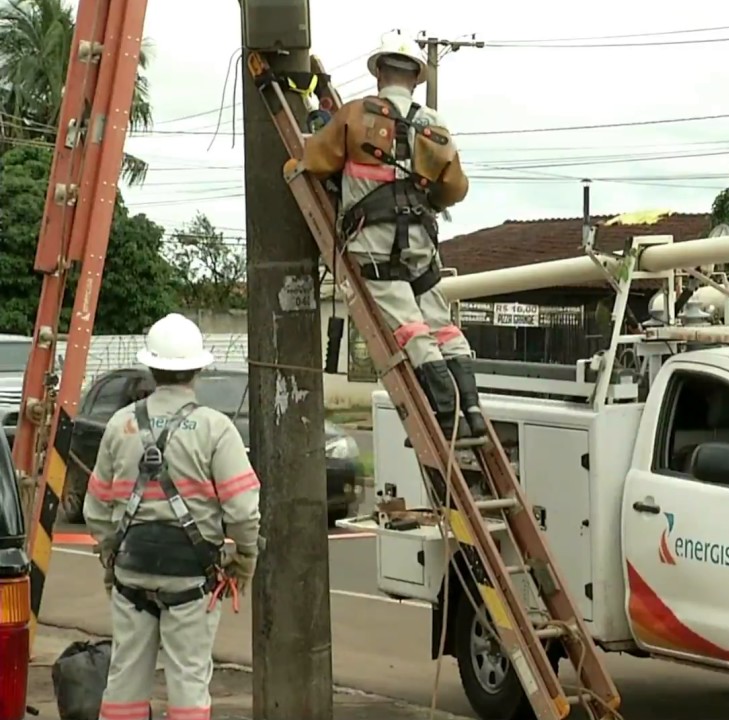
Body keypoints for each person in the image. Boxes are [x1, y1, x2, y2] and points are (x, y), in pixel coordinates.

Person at [291, 31, 486, 443]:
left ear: (380, 71)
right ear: (416, 77)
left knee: (409, 327)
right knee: (442, 325)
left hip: (372, 242)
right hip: (421, 242)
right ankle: (472, 409)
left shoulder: (355, 115)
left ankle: (447, 412)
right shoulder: (434, 126)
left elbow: (317, 161)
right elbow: (455, 189)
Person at [84, 313, 261, 720]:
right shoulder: (215, 429)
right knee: (188, 684)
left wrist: (111, 555)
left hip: (132, 574)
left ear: (151, 367)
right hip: (192, 580)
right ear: (197, 369)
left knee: (125, 680)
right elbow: (242, 509)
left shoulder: (121, 424)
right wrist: (245, 557)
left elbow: (96, 509)